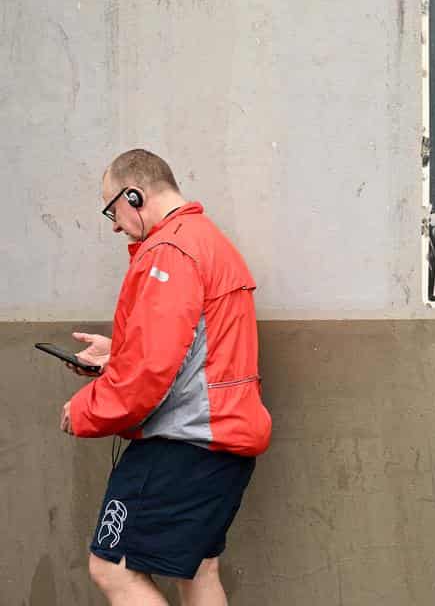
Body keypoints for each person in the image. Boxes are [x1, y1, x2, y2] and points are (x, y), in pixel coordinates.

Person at [61, 149, 271, 606]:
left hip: (184, 444)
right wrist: (116, 354)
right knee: (197, 568)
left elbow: (149, 373)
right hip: (222, 443)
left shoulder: (171, 250)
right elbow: (199, 350)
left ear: (133, 194)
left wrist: (85, 409)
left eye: (111, 209)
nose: (114, 224)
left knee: (112, 568)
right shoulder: (208, 241)